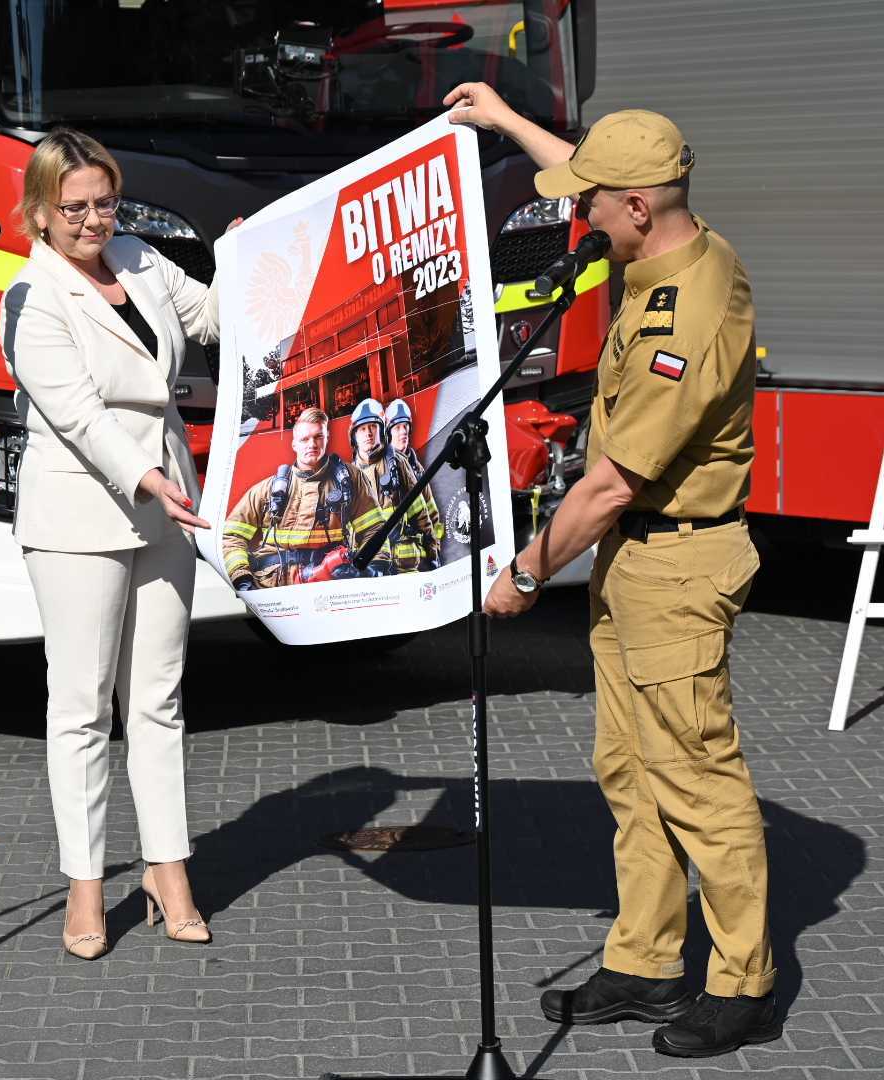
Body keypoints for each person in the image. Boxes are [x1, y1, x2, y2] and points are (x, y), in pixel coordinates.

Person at [446, 84, 779, 1058]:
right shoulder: (661, 232)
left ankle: (743, 983)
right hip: (636, 561)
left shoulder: (688, 318)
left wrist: (523, 574)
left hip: (677, 563)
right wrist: (504, 120)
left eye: (592, 203)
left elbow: (607, 486)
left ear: (637, 208)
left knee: (699, 780)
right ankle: (645, 961)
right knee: (632, 772)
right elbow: (600, 172)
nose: (579, 215)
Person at [1, 128, 225, 959]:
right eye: (76, 208)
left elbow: (211, 318)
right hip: (81, 514)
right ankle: (86, 887)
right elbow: (79, 417)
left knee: (158, 701)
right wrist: (146, 477)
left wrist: (246, 258)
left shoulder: (138, 258)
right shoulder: (31, 296)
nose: (95, 221)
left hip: (166, 505)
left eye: (106, 202)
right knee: (82, 709)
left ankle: (169, 871)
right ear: (40, 211)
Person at [221, 407, 391, 588]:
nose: (312, 444)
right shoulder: (268, 489)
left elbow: (374, 529)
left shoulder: (351, 479)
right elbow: (231, 536)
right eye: (304, 439)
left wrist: (374, 567)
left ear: (327, 438)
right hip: (273, 585)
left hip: (331, 582)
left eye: (318, 437)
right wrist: (242, 579)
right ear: (294, 444)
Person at [349, 398, 442, 573]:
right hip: (372, 568)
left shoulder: (398, 462)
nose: (368, 433)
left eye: (373, 427)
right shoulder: (349, 476)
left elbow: (421, 513)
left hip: (405, 564)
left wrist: (433, 554)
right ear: (354, 436)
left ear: (381, 430)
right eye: (362, 429)